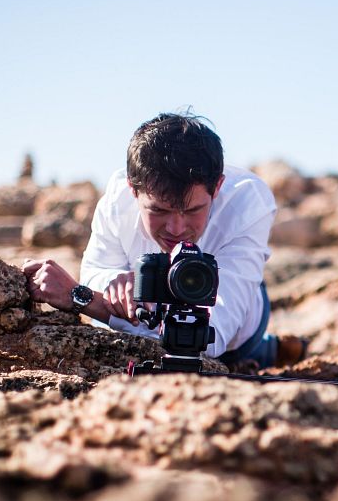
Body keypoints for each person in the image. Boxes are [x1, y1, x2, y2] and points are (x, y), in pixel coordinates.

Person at [22, 112, 306, 368]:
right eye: (159, 210)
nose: (176, 228)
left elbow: (213, 341)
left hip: (240, 331)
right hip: (156, 321)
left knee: (246, 353)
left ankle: (273, 349)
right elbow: (96, 273)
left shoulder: (247, 202)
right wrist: (113, 285)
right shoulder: (116, 201)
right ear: (133, 190)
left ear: (217, 187)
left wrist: (84, 299)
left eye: (193, 210)